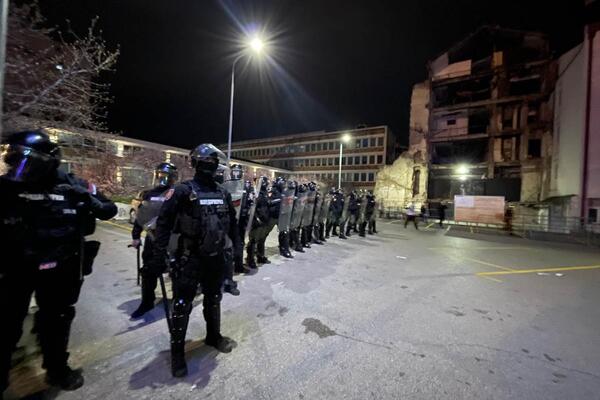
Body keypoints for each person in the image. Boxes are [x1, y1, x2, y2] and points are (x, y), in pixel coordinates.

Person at [0, 130, 117, 395]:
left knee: (56, 321)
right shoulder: (6, 188)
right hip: (16, 268)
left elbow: (108, 209)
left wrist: (84, 196)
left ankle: (56, 369)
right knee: (6, 324)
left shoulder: (73, 185)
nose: (20, 167)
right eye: (14, 159)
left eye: (26, 160)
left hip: (60, 268)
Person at [149, 143, 239, 378]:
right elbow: (164, 223)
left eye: (213, 163)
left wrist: (237, 250)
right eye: (206, 162)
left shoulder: (222, 193)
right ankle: (177, 353)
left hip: (215, 258)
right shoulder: (182, 191)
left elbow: (232, 224)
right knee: (182, 304)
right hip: (190, 258)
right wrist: (158, 255)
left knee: (214, 298)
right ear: (196, 164)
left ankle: (213, 336)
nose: (210, 166)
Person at [130, 162, 179, 318]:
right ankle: (147, 301)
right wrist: (136, 236)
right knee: (148, 271)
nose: (163, 179)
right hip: (152, 239)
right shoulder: (149, 194)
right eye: (160, 175)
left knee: (176, 270)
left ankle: (178, 302)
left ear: (173, 178)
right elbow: (141, 217)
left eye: (166, 176)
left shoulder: (177, 194)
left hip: (172, 239)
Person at [246, 176, 270, 268]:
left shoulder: (264, 193)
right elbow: (252, 207)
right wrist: (256, 218)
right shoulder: (255, 193)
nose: (267, 184)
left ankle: (260, 256)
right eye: (266, 183)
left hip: (264, 220)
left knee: (261, 240)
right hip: (257, 221)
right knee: (253, 241)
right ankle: (250, 259)